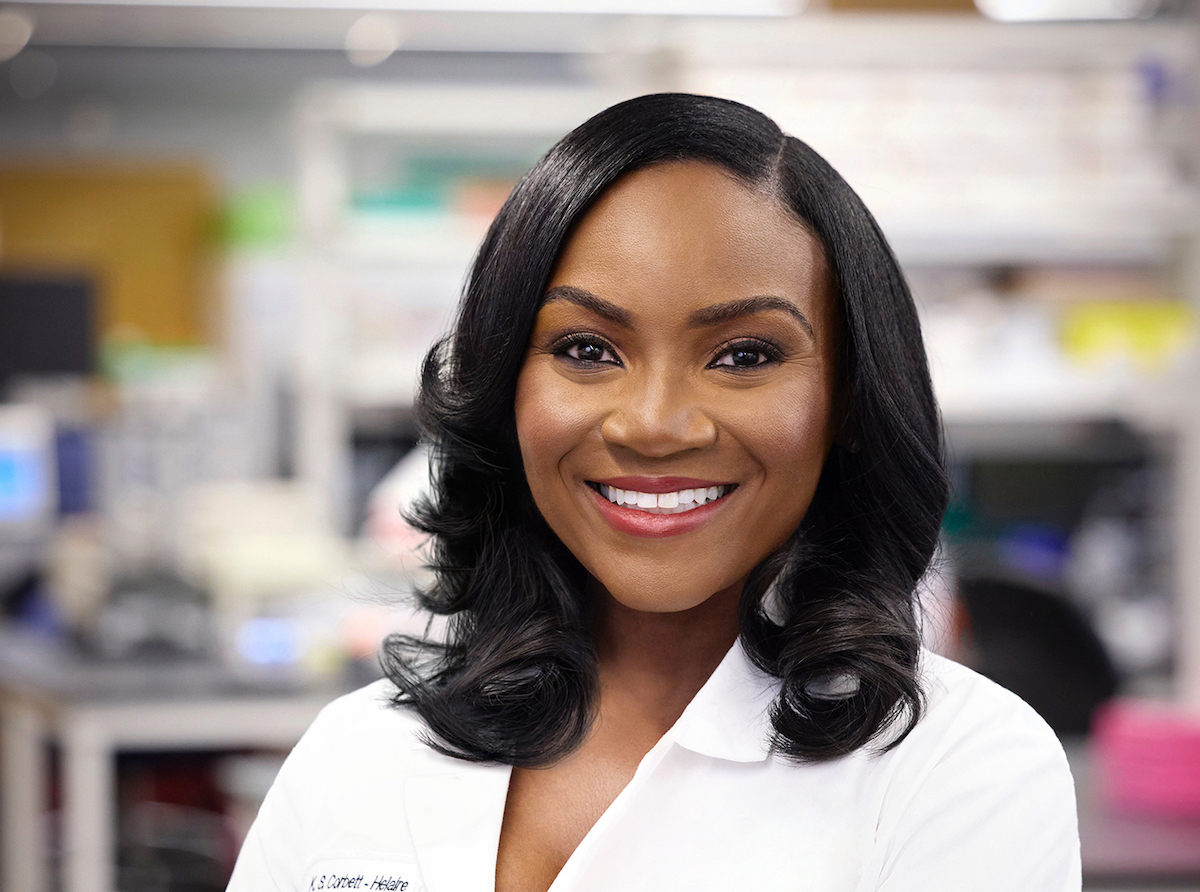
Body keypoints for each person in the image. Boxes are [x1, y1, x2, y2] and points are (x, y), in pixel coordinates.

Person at [227, 93, 1080, 892]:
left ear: (849, 401)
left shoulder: (960, 769)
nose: (653, 424)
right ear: (504, 385)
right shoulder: (357, 754)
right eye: (587, 350)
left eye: (743, 355)